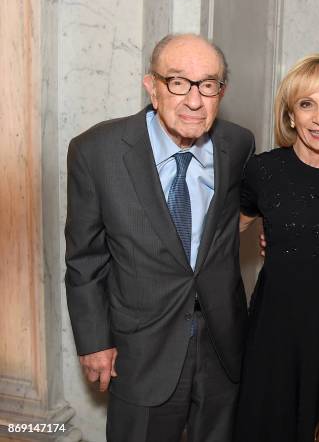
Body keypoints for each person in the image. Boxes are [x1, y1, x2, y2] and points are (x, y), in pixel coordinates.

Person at [64, 33, 255, 442]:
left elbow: (250, 207)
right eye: (178, 82)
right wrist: (95, 341)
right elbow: (84, 259)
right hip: (141, 348)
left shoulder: (238, 145)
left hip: (223, 345)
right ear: (152, 86)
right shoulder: (96, 152)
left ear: (221, 92)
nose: (193, 100)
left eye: (208, 85)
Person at [235, 54, 319, 442]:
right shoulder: (263, 171)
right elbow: (218, 244)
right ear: (291, 116)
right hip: (278, 331)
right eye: (307, 104)